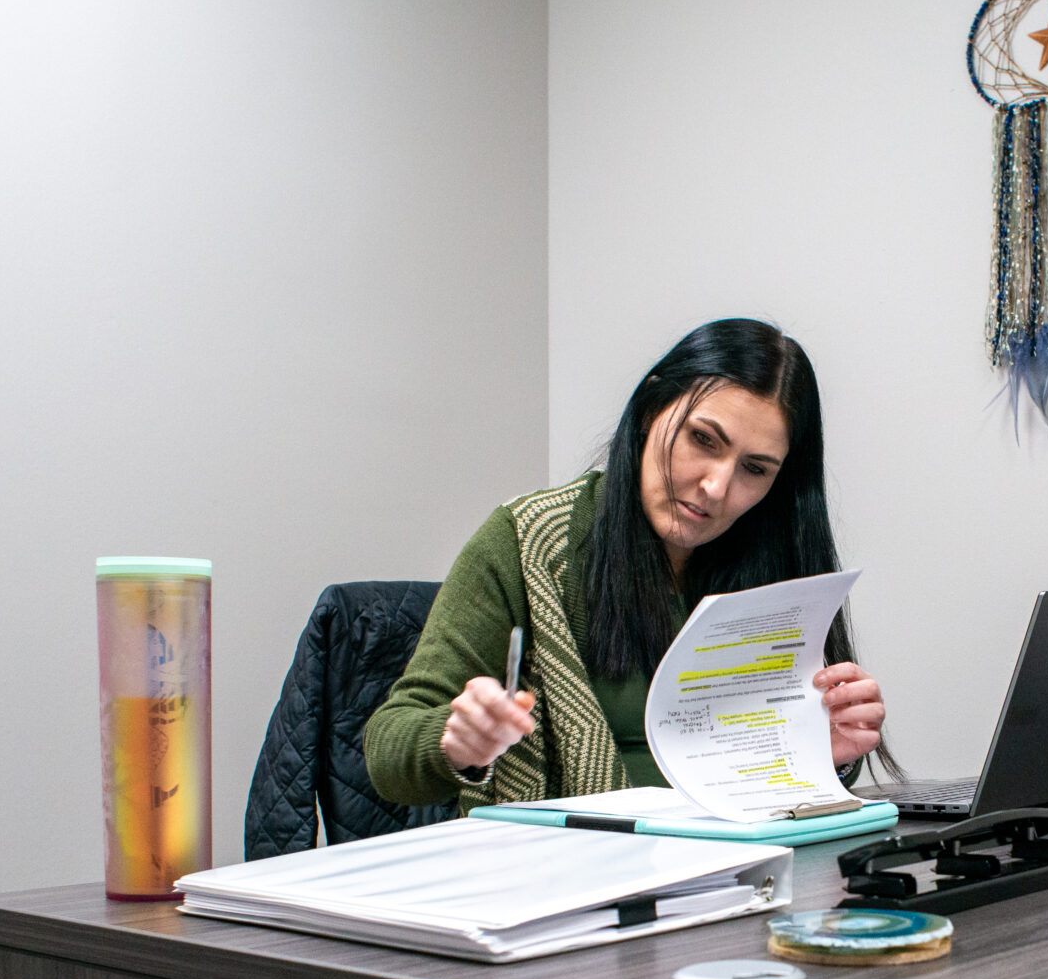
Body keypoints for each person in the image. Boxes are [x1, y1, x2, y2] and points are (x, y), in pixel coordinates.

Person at [363, 319, 886, 810]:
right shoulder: (529, 541)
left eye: (754, 469)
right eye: (702, 440)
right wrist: (457, 739)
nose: (716, 487)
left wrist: (824, 747)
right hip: (562, 875)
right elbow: (386, 753)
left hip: (735, 870)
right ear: (649, 411)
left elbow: (777, 774)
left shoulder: (774, 563)